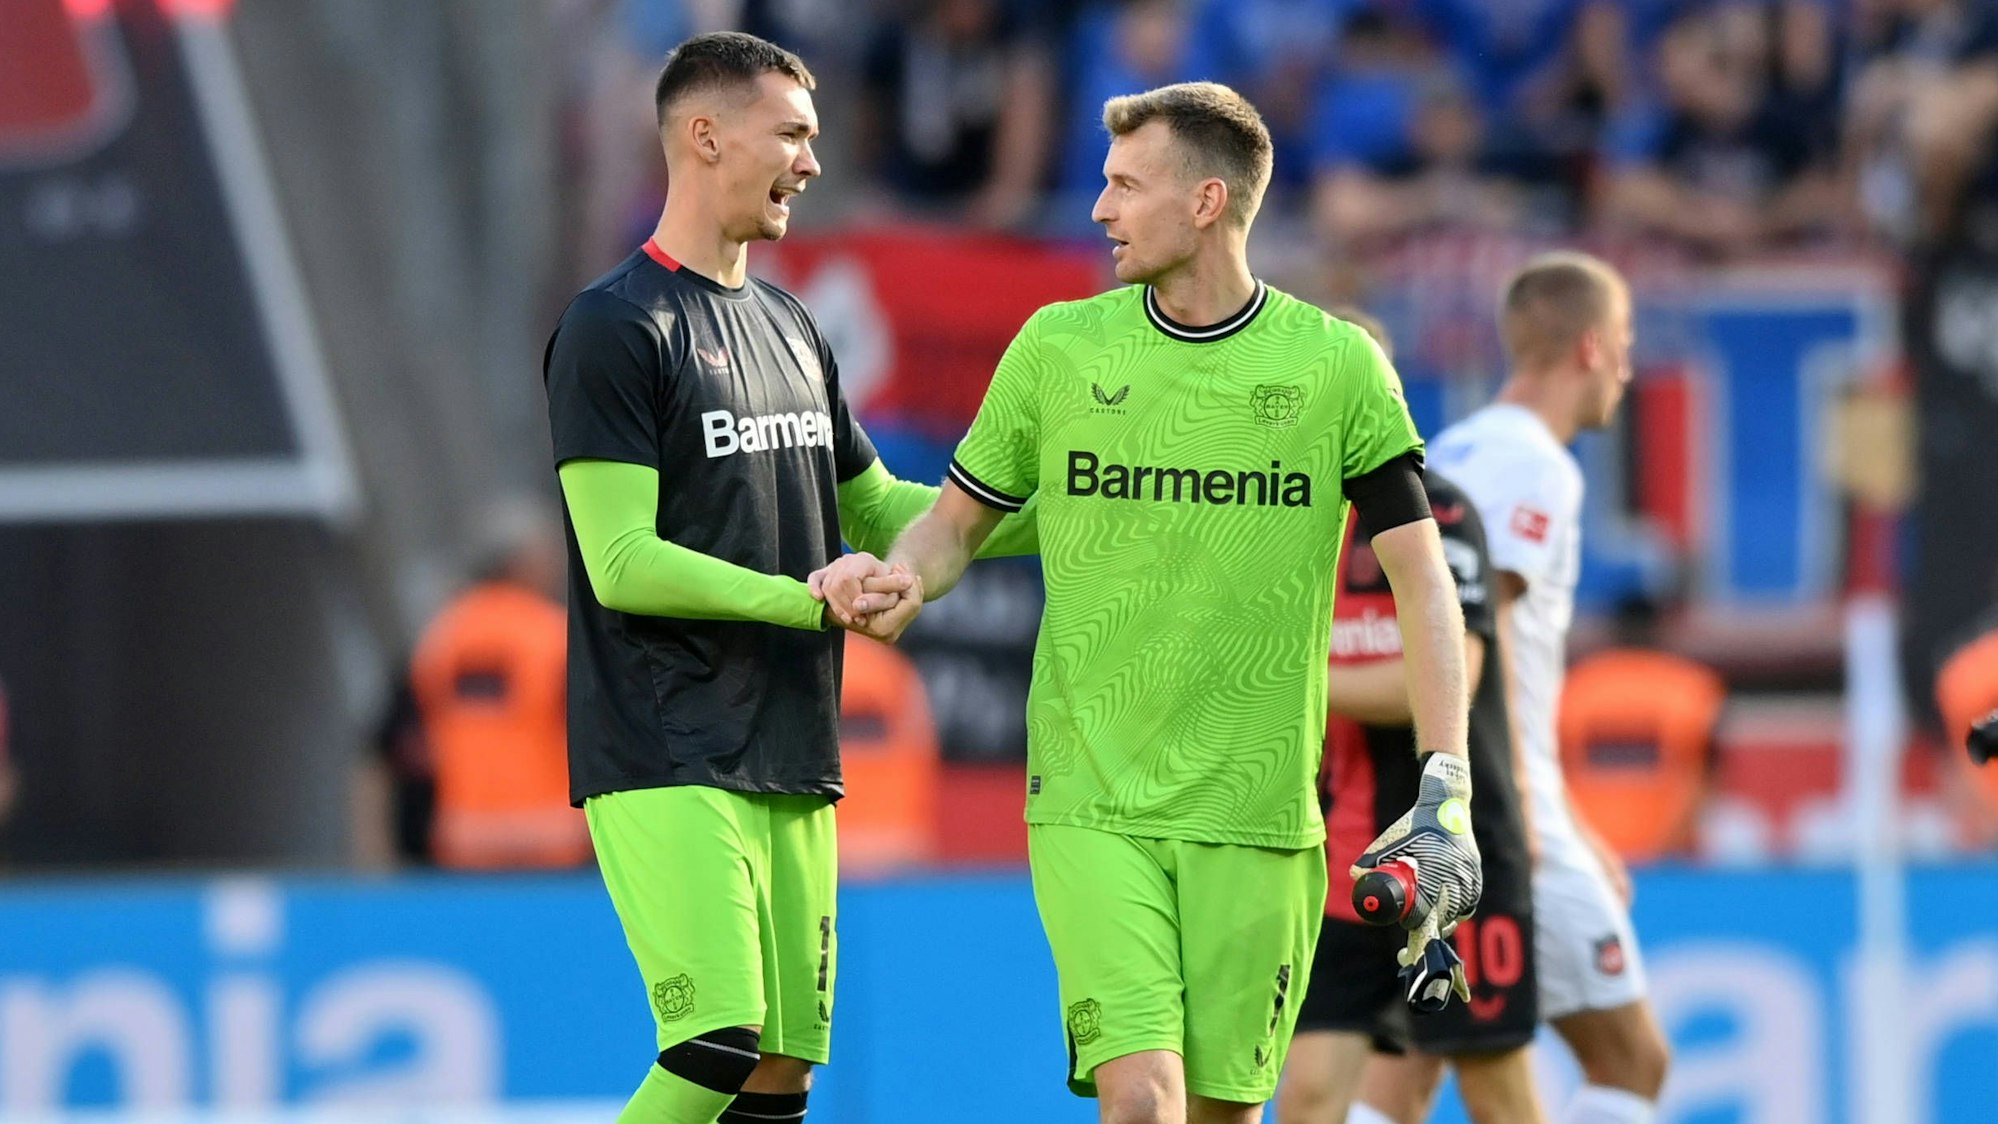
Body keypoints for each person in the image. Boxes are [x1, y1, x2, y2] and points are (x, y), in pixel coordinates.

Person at [819, 82, 1483, 1124]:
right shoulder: (1059, 348)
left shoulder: (1337, 367)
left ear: (1207, 200)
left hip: (1260, 813)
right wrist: (908, 571)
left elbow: (1423, 581)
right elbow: (954, 523)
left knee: (1223, 1110)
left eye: (1126, 184)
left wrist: (1446, 787)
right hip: (1092, 795)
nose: (1099, 209)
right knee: (1142, 1098)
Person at [541, 32, 1035, 1124]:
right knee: (714, 1040)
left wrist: (1068, 514)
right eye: (794, 135)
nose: (813, 162)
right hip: (667, 743)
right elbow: (622, 563)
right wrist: (808, 596)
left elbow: (884, 508)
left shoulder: (790, 324)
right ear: (708, 135)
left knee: (780, 1076)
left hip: (792, 743)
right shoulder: (614, 327)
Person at [1403, 252, 1670, 1124]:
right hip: (1501, 813)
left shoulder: (1453, 447)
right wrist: (1523, 814)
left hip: (1433, 796)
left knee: (1410, 1065)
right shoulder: (1535, 465)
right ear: (1591, 347)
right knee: (1632, 1059)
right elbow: (1484, 639)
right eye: (1625, 345)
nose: (1628, 370)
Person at [1278, 313, 1544, 1124]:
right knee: (1316, 1093)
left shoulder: (1439, 512)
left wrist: (1288, 679)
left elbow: (1454, 672)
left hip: (1453, 847)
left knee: (1493, 1091)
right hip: (1339, 861)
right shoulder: (1284, 523)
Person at [409, 499, 585, 871]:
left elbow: (417, 742)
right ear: (521, 564)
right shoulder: (553, 633)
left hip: (466, 836)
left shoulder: (441, 636)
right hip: (551, 834)